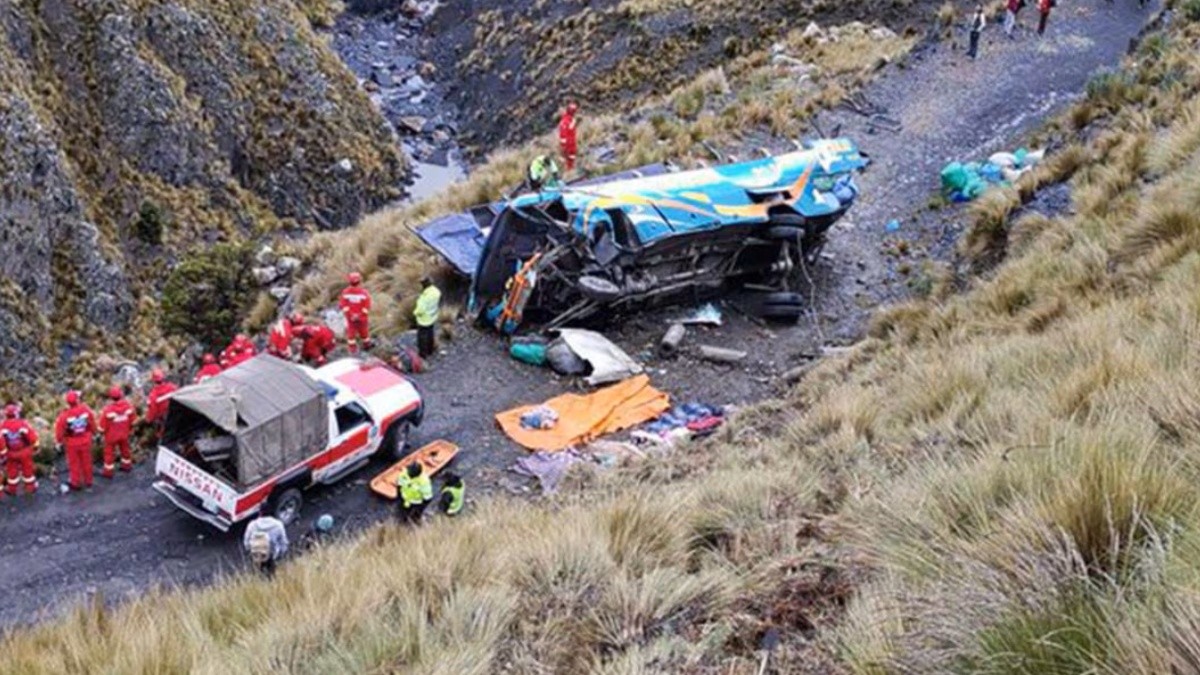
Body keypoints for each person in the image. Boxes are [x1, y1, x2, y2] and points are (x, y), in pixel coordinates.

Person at [55, 391, 97, 491]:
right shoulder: (86, 410)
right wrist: (95, 433)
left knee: (74, 463)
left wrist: (59, 441)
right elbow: (92, 423)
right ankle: (88, 481)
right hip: (86, 440)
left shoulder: (64, 415)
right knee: (87, 461)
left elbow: (60, 430)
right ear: (77, 400)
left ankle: (76, 482)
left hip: (71, 443)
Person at [99, 386, 137, 478]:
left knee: (109, 453)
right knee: (125, 450)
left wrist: (100, 432)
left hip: (111, 436)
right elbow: (133, 420)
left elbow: (102, 427)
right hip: (124, 433)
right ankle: (126, 466)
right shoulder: (128, 406)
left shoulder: (108, 410)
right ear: (121, 395)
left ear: (111, 398)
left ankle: (108, 472)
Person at [1, 403, 39, 495]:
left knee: (12, 471)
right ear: (16, 413)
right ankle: (30, 487)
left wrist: (3, 453)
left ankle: (12, 489)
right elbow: (32, 436)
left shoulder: (3, 426)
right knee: (28, 470)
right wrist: (36, 446)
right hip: (24, 452)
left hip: (11, 453)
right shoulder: (22, 424)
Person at [339, 272, 373, 354]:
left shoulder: (345, 292)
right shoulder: (364, 293)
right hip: (362, 318)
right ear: (360, 281)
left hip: (351, 319)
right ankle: (367, 345)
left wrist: (351, 315)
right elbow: (367, 306)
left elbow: (343, 305)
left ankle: (352, 350)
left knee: (351, 334)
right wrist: (360, 315)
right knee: (364, 333)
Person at [413, 276, 442, 359]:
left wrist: (415, 313)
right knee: (430, 333)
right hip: (432, 316)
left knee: (422, 337)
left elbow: (420, 310)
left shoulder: (425, 297)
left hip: (424, 320)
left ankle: (423, 354)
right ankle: (430, 350)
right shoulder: (436, 291)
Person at [145, 368, 179, 438]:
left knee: (161, 433)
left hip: (163, 418)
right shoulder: (172, 387)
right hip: (175, 413)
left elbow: (152, 410)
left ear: (153, 381)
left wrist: (149, 419)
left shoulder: (153, 395)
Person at [558, 101, 579, 172]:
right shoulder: (566, 120)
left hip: (572, 140)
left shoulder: (572, 119)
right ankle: (568, 172)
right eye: (572, 110)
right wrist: (563, 144)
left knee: (572, 157)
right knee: (568, 158)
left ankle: (571, 170)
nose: (574, 112)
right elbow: (563, 132)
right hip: (568, 142)